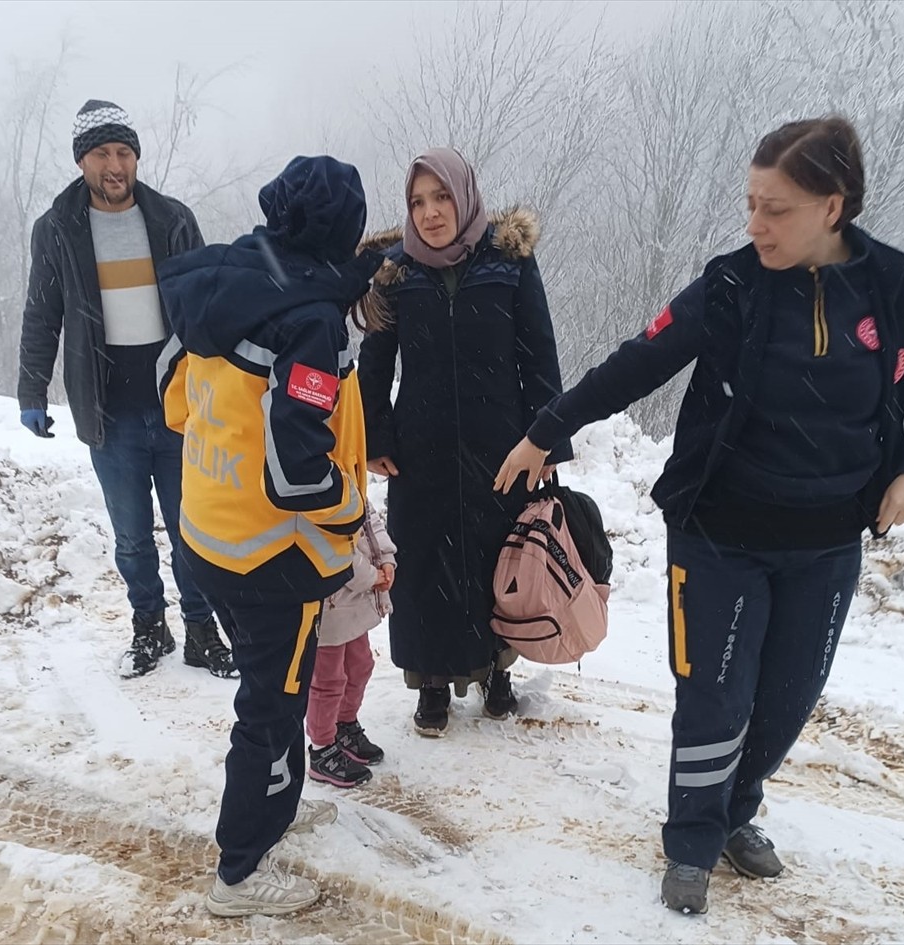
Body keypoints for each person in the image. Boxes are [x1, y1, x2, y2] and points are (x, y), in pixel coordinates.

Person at [494, 116, 904, 915]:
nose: (755, 225)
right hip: (717, 533)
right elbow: (638, 360)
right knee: (713, 693)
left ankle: (737, 807)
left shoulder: (893, 286)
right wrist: (548, 428)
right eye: (750, 204)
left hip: (826, 541)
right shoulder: (732, 286)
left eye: (774, 208)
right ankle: (692, 839)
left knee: (787, 697)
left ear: (833, 206)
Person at [157, 154, 385, 916]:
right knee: (271, 709)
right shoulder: (311, 324)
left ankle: (265, 816)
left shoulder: (225, 277)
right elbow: (295, 472)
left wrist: (349, 274)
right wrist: (350, 510)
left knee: (270, 698)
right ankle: (241, 869)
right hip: (274, 560)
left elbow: (173, 392)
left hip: (208, 534)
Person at [17, 98, 236, 681]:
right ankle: (148, 626)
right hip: (107, 411)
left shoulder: (172, 220)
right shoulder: (57, 229)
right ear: (82, 161)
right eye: (101, 153)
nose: (114, 165)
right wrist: (31, 392)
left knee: (193, 530)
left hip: (179, 407)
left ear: (135, 158)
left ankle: (200, 629)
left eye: (123, 152)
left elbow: (207, 305)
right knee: (133, 538)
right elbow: (43, 314)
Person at [357, 147, 572, 737]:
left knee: (495, 557)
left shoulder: (509, 261)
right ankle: (429, 684)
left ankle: (497, 671)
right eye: (418, 202)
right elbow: (373, 363)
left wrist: (545, 438)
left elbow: (538, 353)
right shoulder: (396, 273)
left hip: (500, 447)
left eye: (442, 197)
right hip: (419, 447)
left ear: (465, 196)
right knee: (424, 562)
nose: (430, 212)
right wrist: (373, 435)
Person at [306, 500, 396, 788]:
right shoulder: (313, 482)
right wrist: (370, 576)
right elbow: (328, 545)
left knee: (360, 666)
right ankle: (321, 747)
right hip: (329, 597)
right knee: (328, 679)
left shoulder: (350, 473)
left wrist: (386, 558)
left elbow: (369, 520)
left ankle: (344, 723)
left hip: (355, 598)